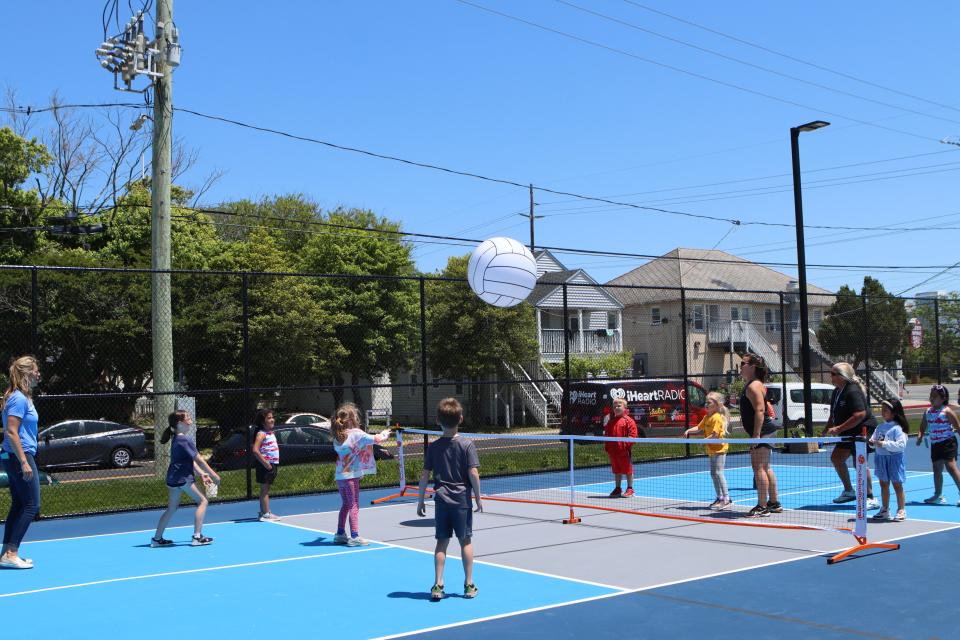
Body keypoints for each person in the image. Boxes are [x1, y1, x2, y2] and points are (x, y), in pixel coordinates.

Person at [417, 398, 482, 602]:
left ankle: (438, 584)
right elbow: (473, 472)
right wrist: (478, 498)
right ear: (460, 419)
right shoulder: (467, 445)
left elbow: (424, 475)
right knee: (466, 542)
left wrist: (420, 501)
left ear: (438, 420)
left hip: (442, 502)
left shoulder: (434, 448)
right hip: (462, 502)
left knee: (441, 544)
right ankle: (469, 584)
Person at [151, 410, 221, 548]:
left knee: (171, 508)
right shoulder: (184, 439)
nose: (190, 420)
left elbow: (190, 460)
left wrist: (201, 474)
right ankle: (197, 537)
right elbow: (199, 460)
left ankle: (157, 539)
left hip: (173, 478)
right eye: (188, 418)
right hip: (183, 478)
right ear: (180, 423)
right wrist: (214, 475)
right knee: (202, 501)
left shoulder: (177, 439)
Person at [1, 356, 41, 569]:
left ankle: (6, 553)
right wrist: (24, 462)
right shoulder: (18, 398)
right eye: (35, 370)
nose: (38, 374)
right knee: (31, 505)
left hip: (16, 455)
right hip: (20, 456)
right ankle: (11, 552)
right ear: (26, 373)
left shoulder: (20, 397)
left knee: (19, 504)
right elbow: (11, 431)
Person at [331, 403, 391, 546]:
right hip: (351, 477)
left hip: (340, 477)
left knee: (345, 504)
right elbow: (376, 439)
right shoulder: (356, 434)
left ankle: (340, 533)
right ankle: (354, 536)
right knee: (354, 505)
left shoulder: (337, 437)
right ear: (352, 419)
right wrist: (385, 433)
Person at [822, 362, 880, 510]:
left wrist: (839, 428)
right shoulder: (837, 391)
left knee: (859, 462)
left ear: (843, 376)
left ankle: (870, 497)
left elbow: (860, 415)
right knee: (836, 458)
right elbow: (833, 414)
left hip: (863, 429)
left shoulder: (852, 391)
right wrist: (825, 430)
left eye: (834, 374)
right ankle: (849, 491)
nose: (831, 376)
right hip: (849, 431)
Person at [738, 353, 781, 517]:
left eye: (743, 363)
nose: (740, 366)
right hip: (765, 431)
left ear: (752, 366)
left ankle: (762, 506)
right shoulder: (754, 384)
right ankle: (774, 503)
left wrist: (756, 435)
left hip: (763, 431)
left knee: (759, 468)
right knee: (765, 467)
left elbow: (760, 410)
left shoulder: (754, 386)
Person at [684, 391, 731, 510]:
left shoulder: (717, 418)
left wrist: (703, 441)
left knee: (719, 472)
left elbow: (715, 435)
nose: (706, 404)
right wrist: (689, 430)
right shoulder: (707, 417)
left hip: (720, 448)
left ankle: (727, 499)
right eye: (706, 402)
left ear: (716, 405)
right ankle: (719, 497)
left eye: (709, 403)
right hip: (711, 449)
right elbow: (699, 428)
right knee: (713, 473)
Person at [915, 384, 960, 505]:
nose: (932, 398)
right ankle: (938, 495)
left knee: (951, 467)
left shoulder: (947, 411)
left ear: (943, 398)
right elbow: (923, 426)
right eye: (931, 396)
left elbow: (957, 427)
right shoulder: (928, 412)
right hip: (935, 444)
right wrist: (920, 436)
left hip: (948, 442)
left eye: (935, 396)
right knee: (937, 469)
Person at [869, 399, 909, 521]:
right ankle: (885, 509)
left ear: (894, 412)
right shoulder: (880, 427)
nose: (882, 412)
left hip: (894, 459)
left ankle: (901, 509)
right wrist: (872, 442)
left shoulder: (897, 428)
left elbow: (901, 445)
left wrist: (884, 444)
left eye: (885, 410)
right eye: (882, 410)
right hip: (881, 458)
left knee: (897, 484)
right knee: (883, 483)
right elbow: (873, 440)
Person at [604, 397, 638, 498]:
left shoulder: (629, 421)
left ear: (625, 408)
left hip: (624, 451)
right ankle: (618, 488)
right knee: (616, 470)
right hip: (613, 451)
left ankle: (630, 488)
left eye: (619, 406)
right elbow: (607, 435)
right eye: (614, 406)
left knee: (628, 470)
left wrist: (625, 446)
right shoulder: (611, 422)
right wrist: (607, 447)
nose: (616, 408)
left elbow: (633, 435)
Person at [252, 408, 281, 521]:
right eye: (269, 418)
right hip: (265, 465)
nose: (272, 419)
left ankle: (263, 512)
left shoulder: (269, 433)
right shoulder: (261, 434)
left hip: (271, 464)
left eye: (272, 417)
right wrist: (266, 464)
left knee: (265, 489)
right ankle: (266, 513)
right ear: (263, 421)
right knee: (265, 490)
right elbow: (255, 450)